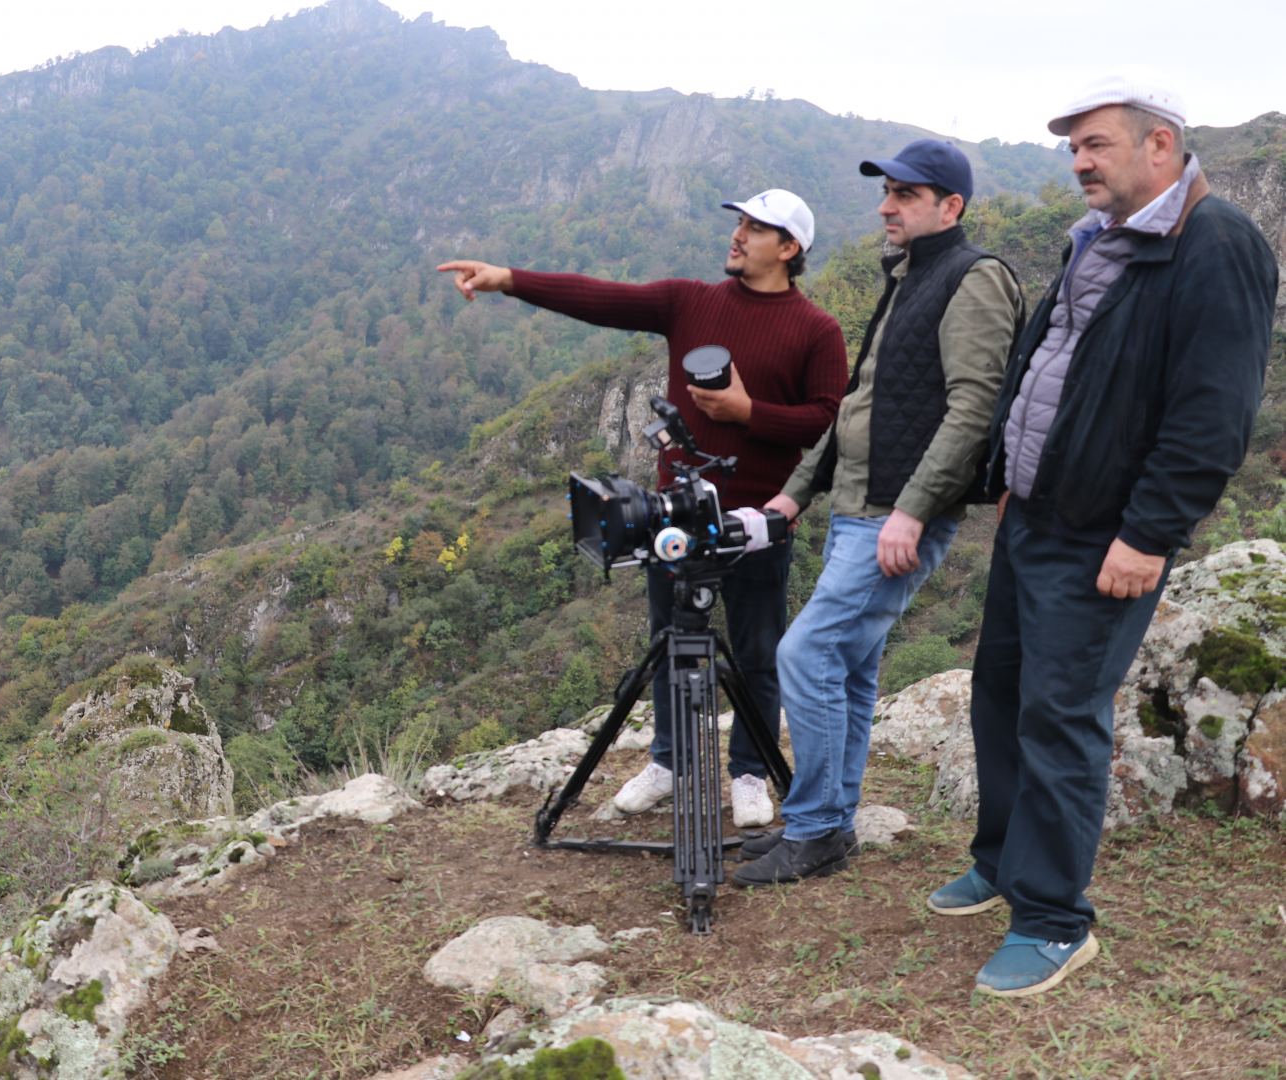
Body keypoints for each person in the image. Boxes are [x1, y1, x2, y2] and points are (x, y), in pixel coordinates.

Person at [928, 76, 1278, 997]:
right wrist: (1009, 481)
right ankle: (1001, 861)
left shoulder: (1217, 244)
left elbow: (1213, 415)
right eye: (1072, 148)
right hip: (1035, 518)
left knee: (1061, 714)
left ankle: (1050, 919)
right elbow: (1051, 365)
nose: (1079, 161)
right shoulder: (1100, 238)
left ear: (1159, 145)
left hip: (1105, 537)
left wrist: (1150, 534)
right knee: (1000, 693)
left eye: (1096, 145)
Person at [438, 190, 848, 828]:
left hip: (756, 521)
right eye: (738, 223)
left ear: (789, 249)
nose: (738, 235)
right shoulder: (692, 300)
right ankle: (670, 761)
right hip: (677, 513)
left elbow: (828, 421)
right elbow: (601, 297)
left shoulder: (816, 330)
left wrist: (748, 414)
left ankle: (747, 772)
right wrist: (509, 280)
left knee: (758, 650)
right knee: (671, 640)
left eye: (754, 228)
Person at [733, 141, 1024, 887]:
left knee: (804, 655)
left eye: (904, 194)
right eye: (886, 191)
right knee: (851, 669)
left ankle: (817, 826)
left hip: (896, 517)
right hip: (859, 508)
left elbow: (973, 410)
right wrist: (798, 490)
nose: (886, 206)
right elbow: (855, 407)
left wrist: (914, 512)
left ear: (949, 206)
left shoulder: (975, 278)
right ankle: (832, 821)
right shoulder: (909, 278)